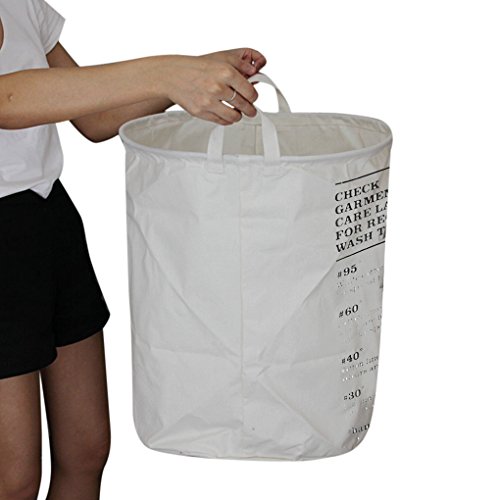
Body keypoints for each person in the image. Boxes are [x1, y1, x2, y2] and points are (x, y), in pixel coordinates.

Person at [0, 0, 266, 498]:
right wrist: (166, 73)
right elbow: (7, 100)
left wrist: (194, 77)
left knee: (86, 450)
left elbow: (94, 115)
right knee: (11, 480)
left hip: (47, 218)